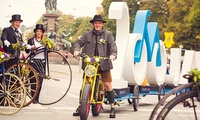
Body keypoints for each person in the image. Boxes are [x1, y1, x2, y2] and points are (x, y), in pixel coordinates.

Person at [73, 15, 117, 118]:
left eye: (99, 23)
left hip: (104, 64)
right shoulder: (87, 35)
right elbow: (78, 43)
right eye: (96, 23)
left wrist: (113, 55)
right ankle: (81, 106)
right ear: (93, 24)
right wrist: (76, 50)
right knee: (85, 84)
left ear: (102, 24)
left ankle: (112, 107)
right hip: (90, 64)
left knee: (107, 85)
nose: (97, 24)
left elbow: (112, 46)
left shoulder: (108, 35)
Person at [25, 24, 46, 103]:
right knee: (33, 80)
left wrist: (52, 46)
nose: (39, 33)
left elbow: (49, 51)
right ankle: (33, 97)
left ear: (42, 33)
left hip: (42, 62)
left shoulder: (45, 41)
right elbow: (27, 50)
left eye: (40, 31)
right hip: (33, 61)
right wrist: (30, 47)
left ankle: (37, 98)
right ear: (35, 32)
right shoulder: (31, 40)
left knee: (40, 80)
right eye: (37, 31)